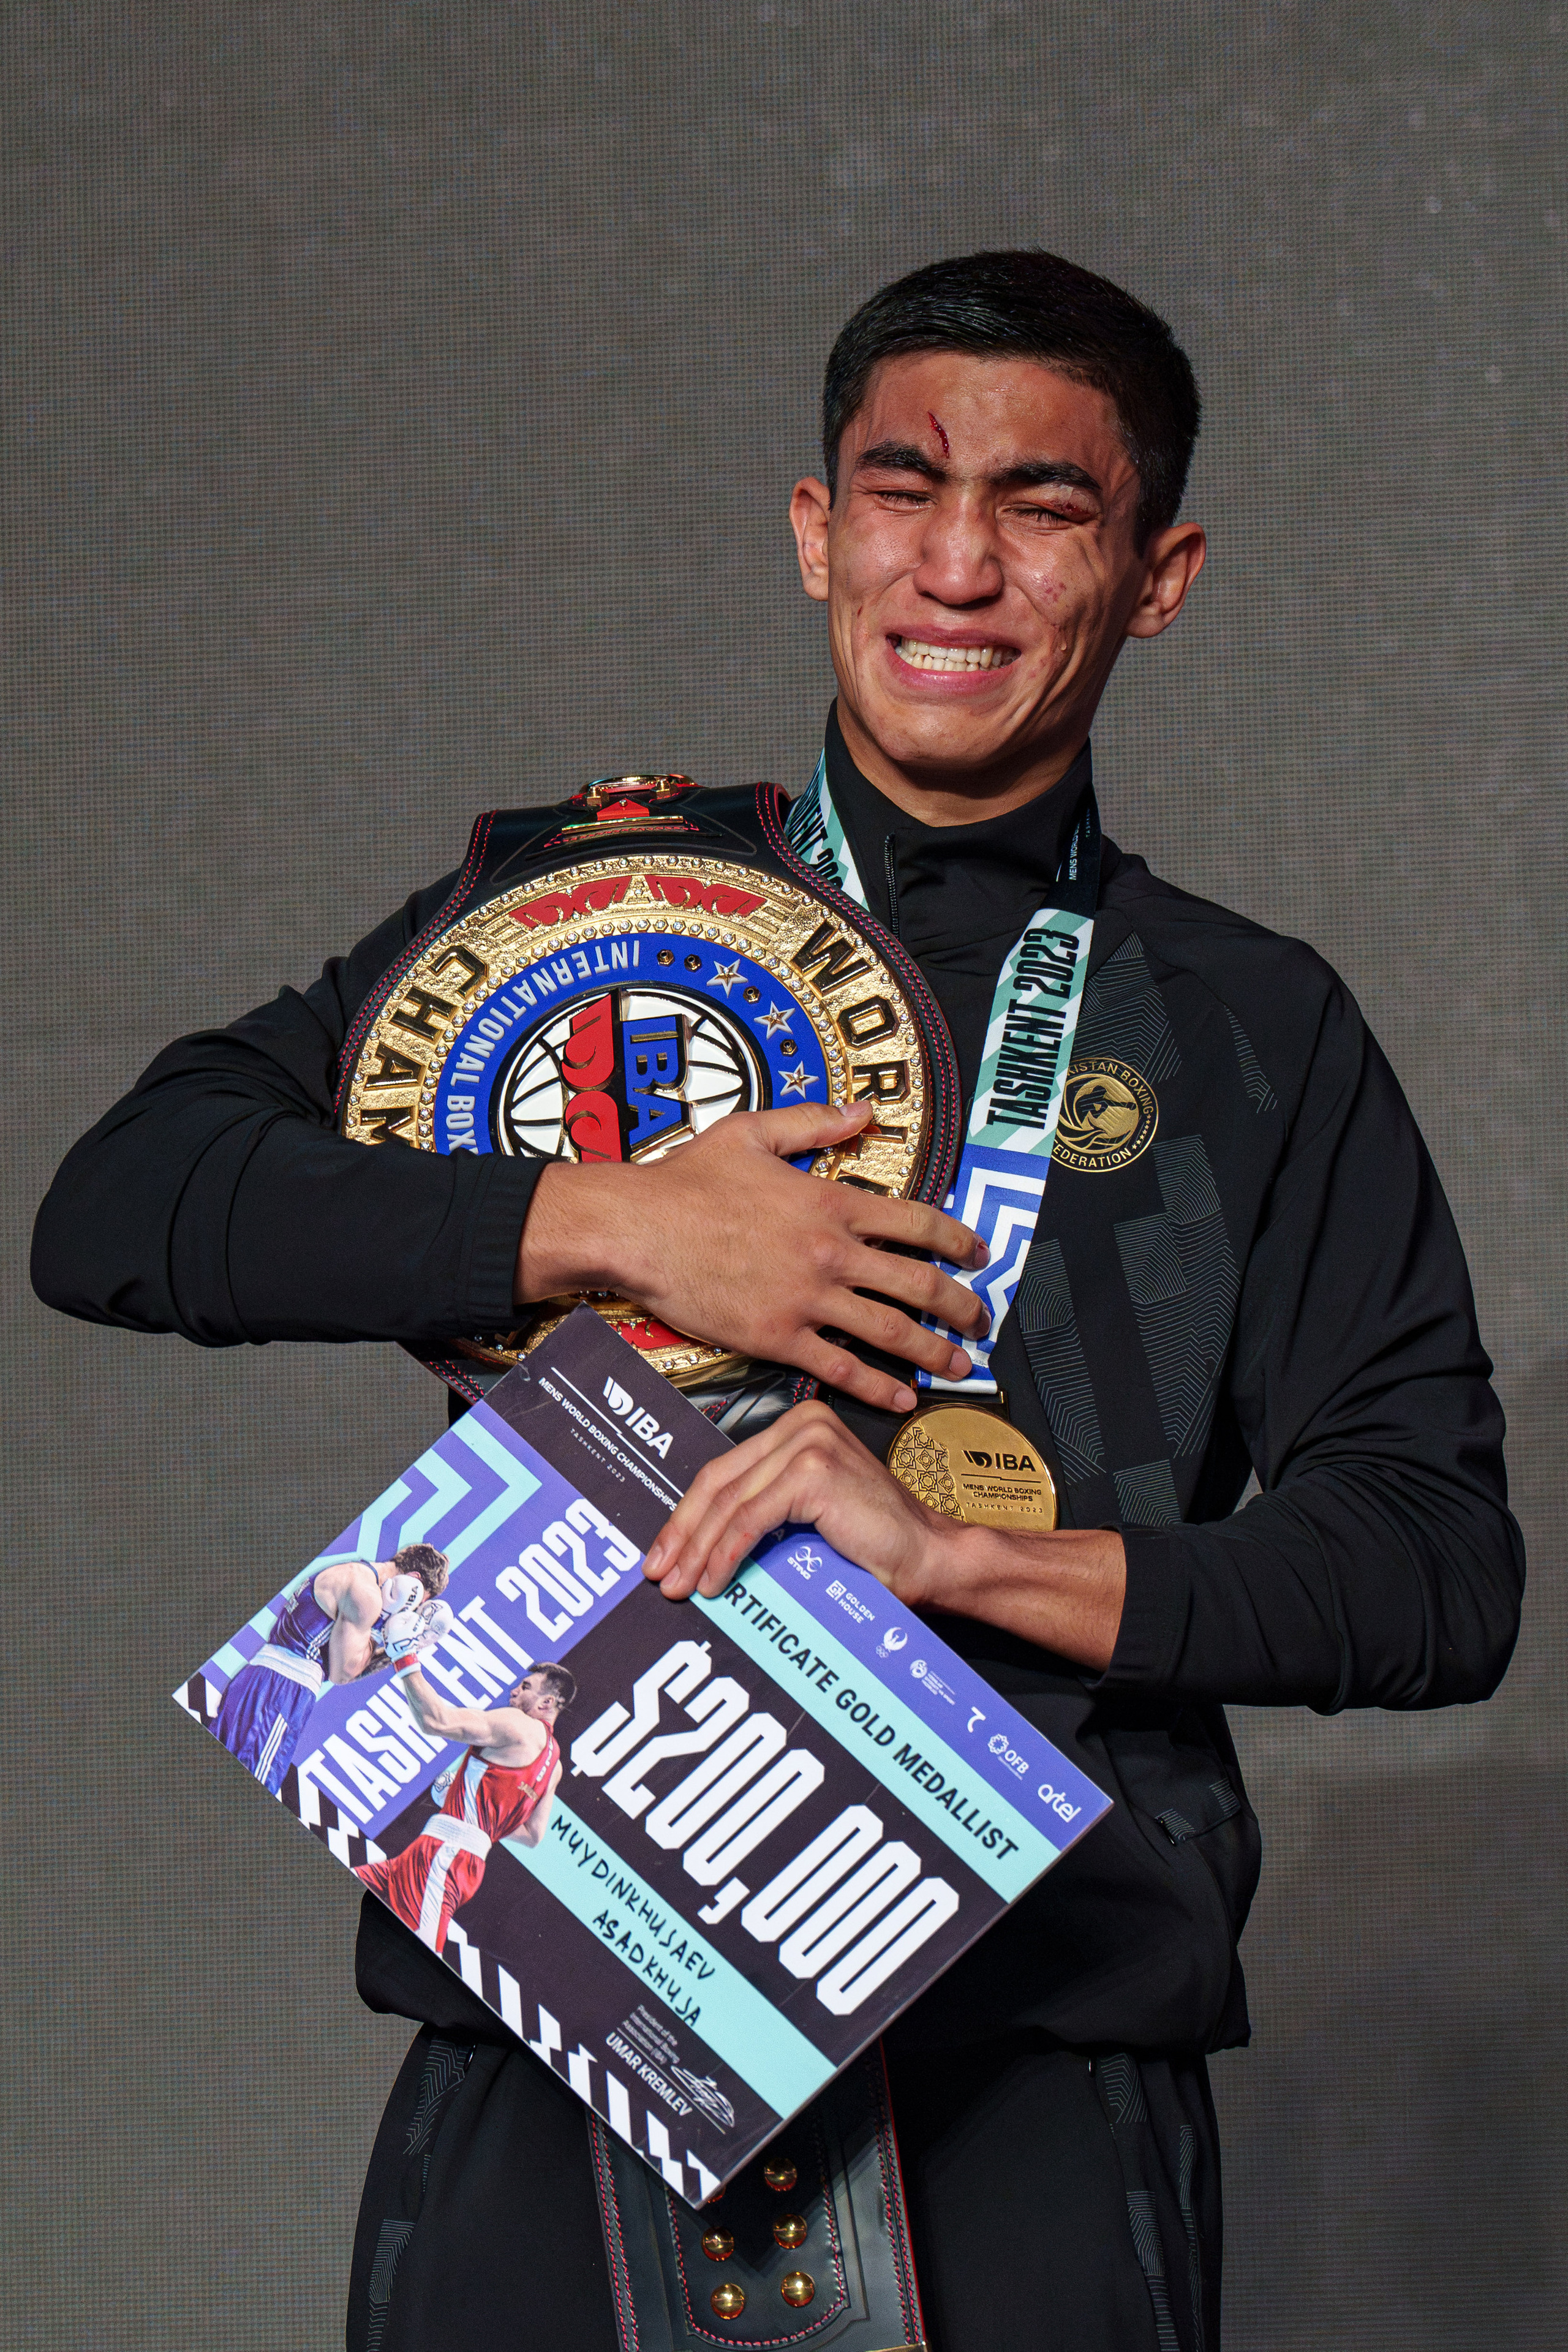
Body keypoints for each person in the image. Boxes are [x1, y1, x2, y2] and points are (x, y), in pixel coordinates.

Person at [31, 249, 1523, 2352]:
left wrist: (965, 1558)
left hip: (1029, 2072)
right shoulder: (581, 918)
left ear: (1158, 574)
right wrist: (599, 1221)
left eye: (1045, 508)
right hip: (546, 2014)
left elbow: (1437, 1575)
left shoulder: (1250, 1030)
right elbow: (123, 1204)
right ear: (819, 528)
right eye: (904, 487)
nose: (961, 565)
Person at [355, 1660, 571, 1953]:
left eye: (526, 1687)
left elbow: (437, 1722)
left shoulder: (520, 1724)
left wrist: (405, 1658)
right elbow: (533, 1835)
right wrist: (474, 1815)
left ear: (547, 1702)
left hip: (444, 1855)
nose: (514, 1691)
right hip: (459, 1858)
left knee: (415, 1964)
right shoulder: (554, 1766)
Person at [213, 1542, 451, 1795]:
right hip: (282, 1694)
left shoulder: (355, 1570)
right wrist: (396, 1648)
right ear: (412, 1582)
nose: (410, 1612)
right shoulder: (367, 1596)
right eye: (418, 1602)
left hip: (258, 1678)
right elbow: (343, 1673)